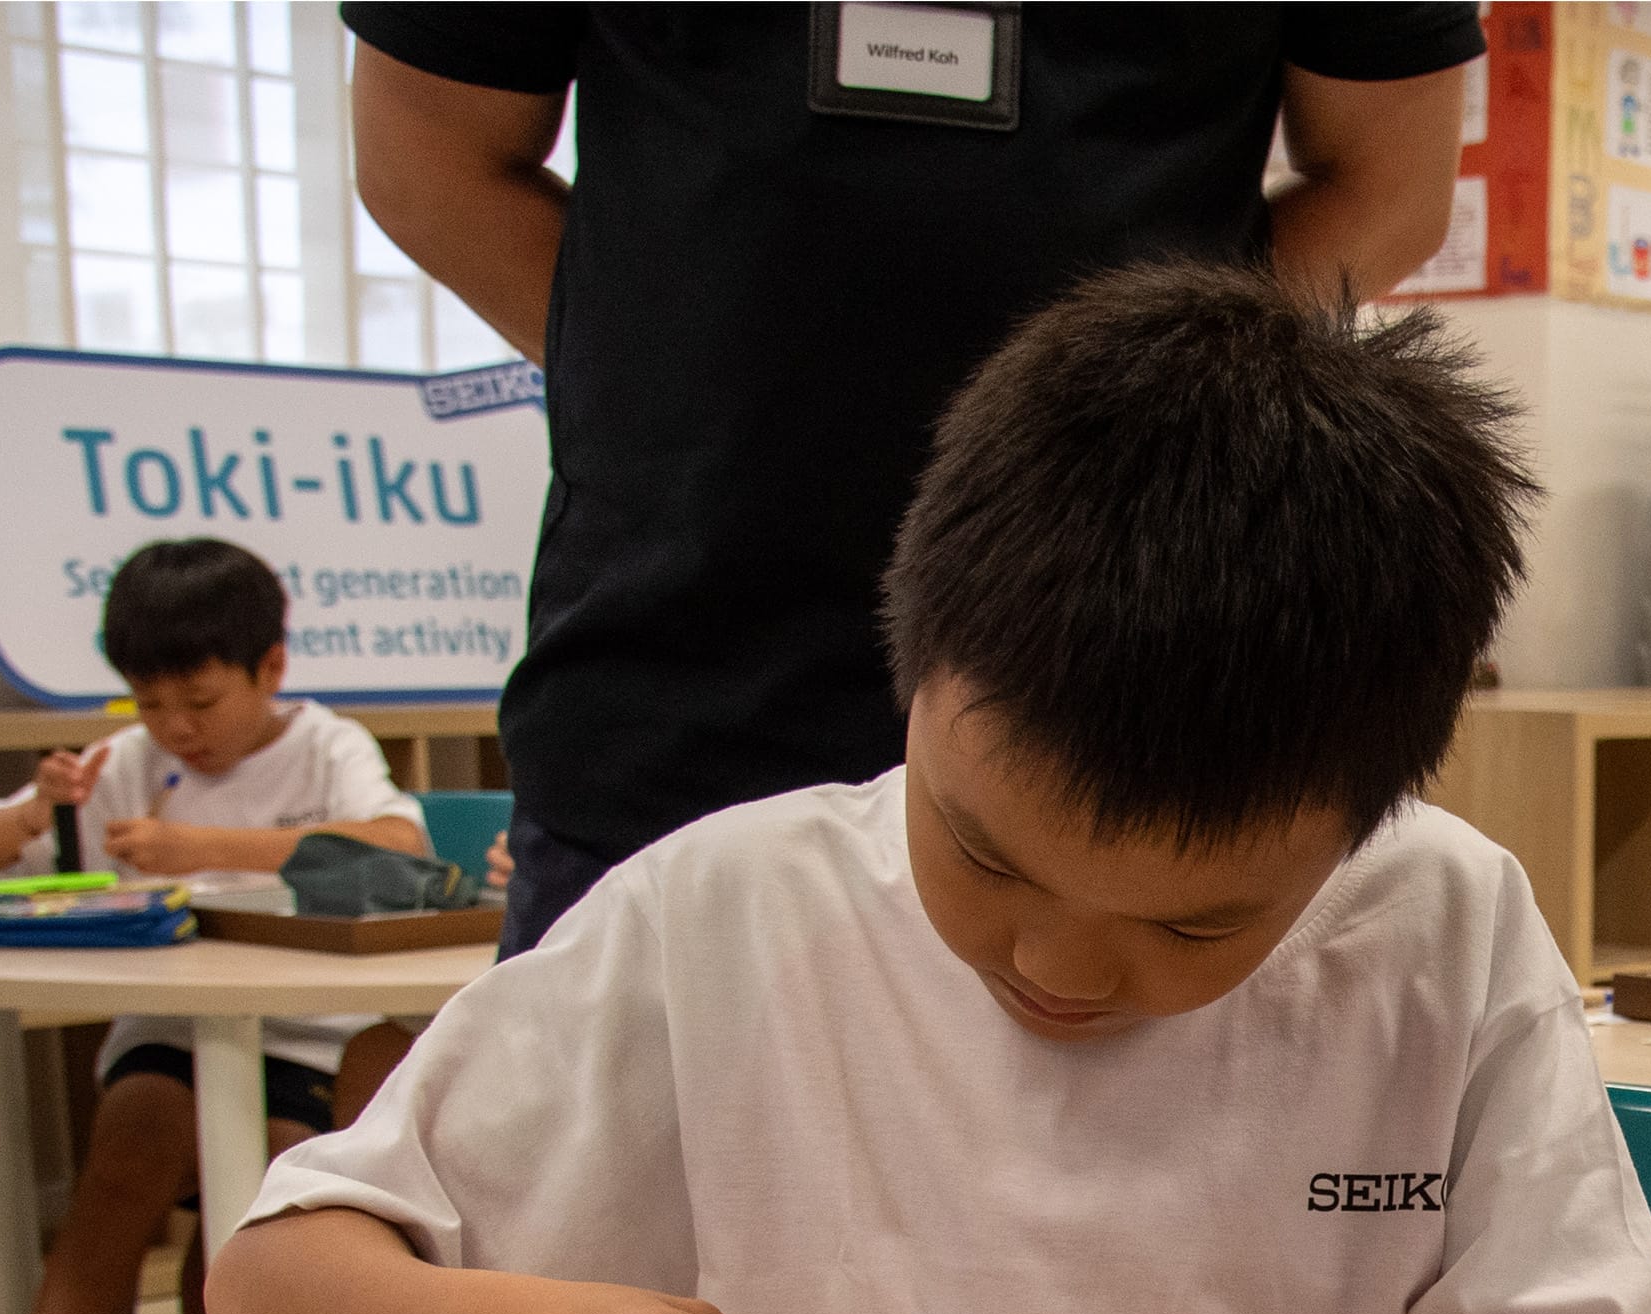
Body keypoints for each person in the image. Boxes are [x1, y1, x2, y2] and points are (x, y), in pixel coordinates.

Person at [218, 266, 1651, 1314]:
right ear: (915, 676)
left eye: (1198, 922)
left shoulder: (1441, 923)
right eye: (983, 850)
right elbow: (274, 1286)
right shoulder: (732, 906)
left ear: (1369, 820)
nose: (1062, 964)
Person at [341, 3, 1483, 950]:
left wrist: (1127, 412)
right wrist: (674, 377)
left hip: (1114, 695)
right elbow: (425, 154)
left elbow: (1388, 185)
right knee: (583, 1208)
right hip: (675, 679)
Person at [0, 539, 430, 1314]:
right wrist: (39, 807)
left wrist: (202, 848)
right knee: (125, 1155)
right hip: (169, 1037)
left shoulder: (326, 748)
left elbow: (400, 845)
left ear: (270, 666)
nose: (178, 727)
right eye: (152, 702)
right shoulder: (128, 762)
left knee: (257, 1186)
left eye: (201, 701)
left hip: (309, 1042)